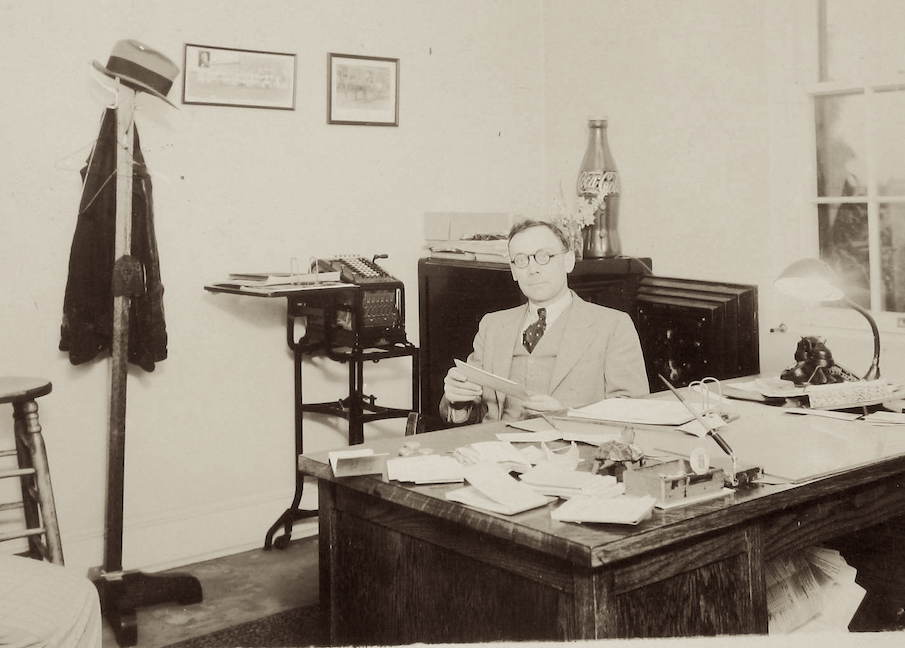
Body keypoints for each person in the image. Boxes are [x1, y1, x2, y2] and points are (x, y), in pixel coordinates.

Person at [440, 219, 648, 424]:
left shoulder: (613, 325)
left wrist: (568, 415)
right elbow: (471, 412)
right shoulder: (492, 326)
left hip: (571, 449)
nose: (533, 269)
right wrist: (458, 400)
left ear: (568, 261)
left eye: (543, 257)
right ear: (513, 271)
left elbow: (633, 411)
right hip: (495, 449)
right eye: (521, 260)